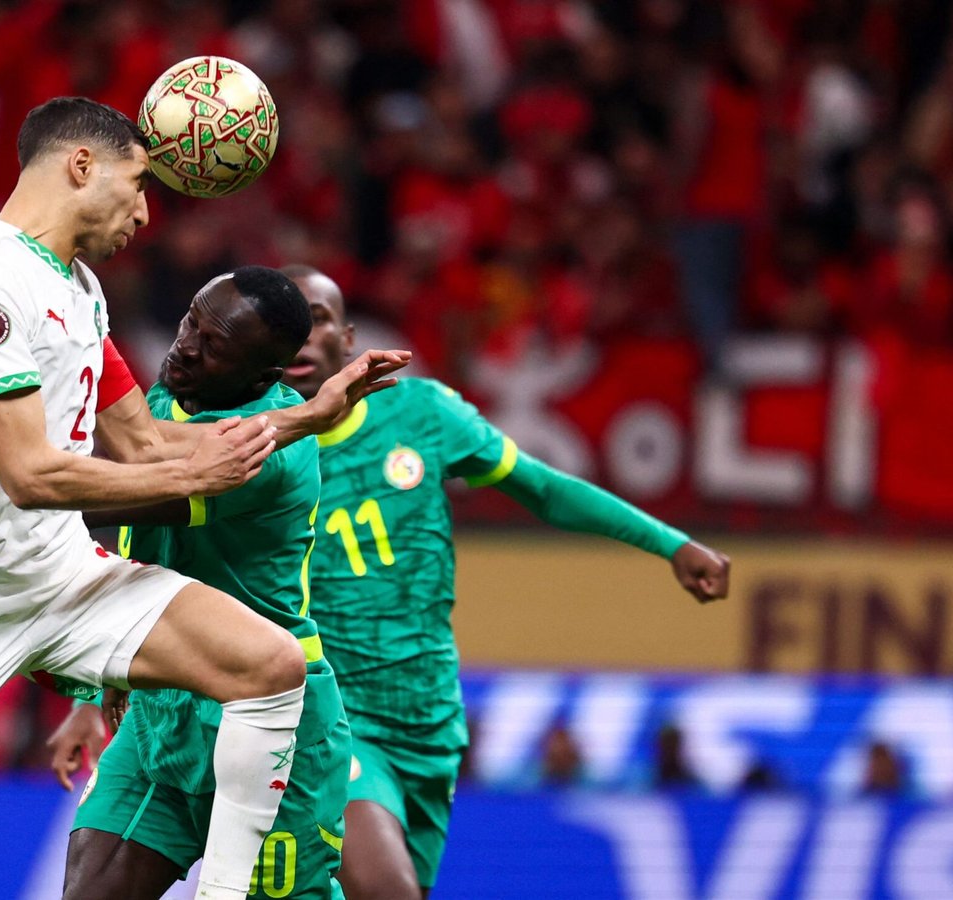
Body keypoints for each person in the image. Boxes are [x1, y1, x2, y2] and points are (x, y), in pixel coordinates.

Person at [0, 98, 407, 900]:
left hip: (61, 575)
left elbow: (148, 443)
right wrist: (188, 482)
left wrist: (307, 416)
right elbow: (35, 477)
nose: (146, 211)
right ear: (81, 167)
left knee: (271, 665)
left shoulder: (78, 287)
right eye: (139, 182)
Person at [276, 265, 731, 900]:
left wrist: (671, 543)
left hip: (429, 724)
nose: (299, 338)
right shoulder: (250, 450)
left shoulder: (423, 414)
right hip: (328, 718)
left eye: (316, 319)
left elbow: (542, 489)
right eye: (282, 324)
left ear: (348, 338)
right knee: (386, 891)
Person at [52, 267, 350, 899]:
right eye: (191, 319)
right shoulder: (158, 406)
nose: (186, 344)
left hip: (269, 718)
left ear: (261, 377)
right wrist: (92, 689)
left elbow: (101, 503)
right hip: (161, 712)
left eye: (215, 346)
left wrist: (5, 482)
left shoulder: (274, 450)